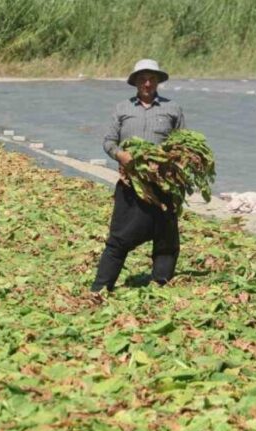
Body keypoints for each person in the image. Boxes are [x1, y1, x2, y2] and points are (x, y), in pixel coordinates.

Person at [91, 59, 186, 295]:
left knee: (166, 238)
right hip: (131, 183)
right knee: (119, 238)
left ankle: (160, 285)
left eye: (152, 78)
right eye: (142, 78)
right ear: (135, 82)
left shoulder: (172, 109)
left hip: (163, 183)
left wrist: (175, 164)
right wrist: (120, 155)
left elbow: (183, 144)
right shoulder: (122, 109)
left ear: (157, 81)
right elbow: (108, 141)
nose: (147, 83)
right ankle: (100, 288)